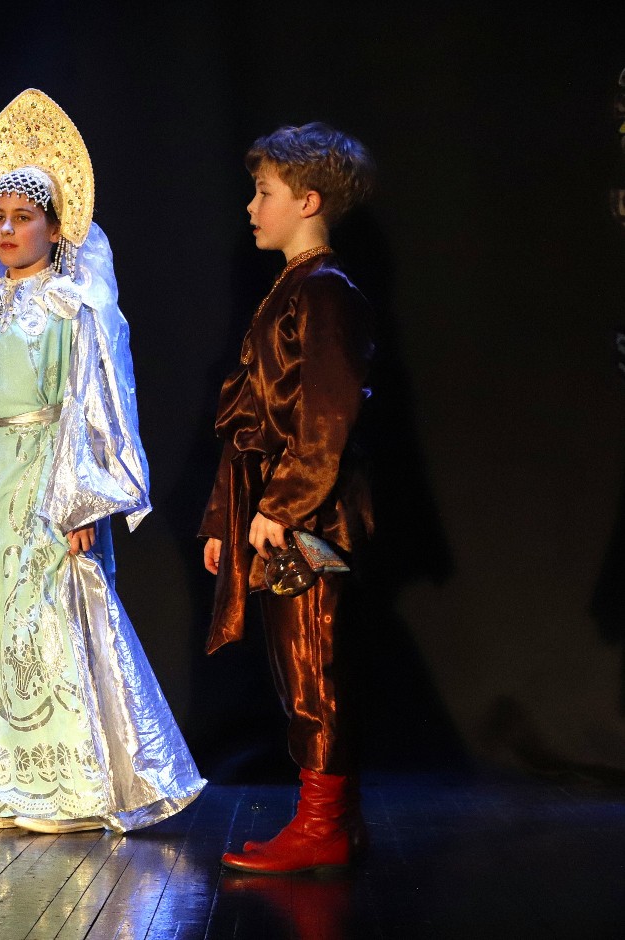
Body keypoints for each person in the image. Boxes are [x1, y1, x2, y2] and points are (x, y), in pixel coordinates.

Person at [0, 89, 205, 834]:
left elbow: (91, 405)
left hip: (51, 478)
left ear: (55, 227)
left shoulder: (70, 306)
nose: (8, 230)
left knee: (48, 625)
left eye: (24, 217)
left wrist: (84, 504)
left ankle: (71, 790)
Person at [199, 122, 376, 873]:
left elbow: (328, 411)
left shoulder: (326, 291)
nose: (251, 207)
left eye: (264, 192)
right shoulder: (292, 288)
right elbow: (251, 419)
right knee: (296, 666)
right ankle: (333, 820)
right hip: (278, 511)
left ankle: (323, 826)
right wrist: (226, 517)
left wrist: (283, 505)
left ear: (308, 201)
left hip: (309, 519)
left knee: (312, 669)